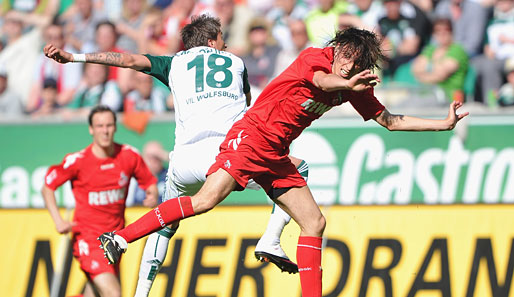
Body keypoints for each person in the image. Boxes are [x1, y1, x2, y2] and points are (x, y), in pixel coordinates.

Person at [47, 23, 469, 296]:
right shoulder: (317, 60)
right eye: (346, 57)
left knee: (315, 221)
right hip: (249, 139)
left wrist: (442, 123)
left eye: (356, 63)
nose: (348, 64)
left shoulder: (354, 83)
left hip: (275, 154)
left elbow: (390, 121)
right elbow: (322, 79)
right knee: (205, 201)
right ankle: (120, 238)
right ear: (338, 49)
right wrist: (346, 79)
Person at [44, 14, 304, 297]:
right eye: (221, 39)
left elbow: (127, 61)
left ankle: (141, 293)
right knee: (297, 169)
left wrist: (74, 58)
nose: (225, 44)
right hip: (229, 158)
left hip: (184, 161)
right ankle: (272, 237)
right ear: (210, 40)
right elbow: (247, 104)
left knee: (164, 224)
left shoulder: (174, 62)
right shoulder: (237, 63)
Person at [41, 105, 158, 297]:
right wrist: (58, 221)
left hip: (116, 239)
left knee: (94, 293)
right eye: (100, 126)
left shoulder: (129, 156)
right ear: (91, 129)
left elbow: (149, 183)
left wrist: (151, 195)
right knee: (113, 293)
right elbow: (48, 187)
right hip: (88, 239)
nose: (105, 130)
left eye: (109, 125)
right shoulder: (78, 161)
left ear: (115, 127)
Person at [411, 18, 469, 103]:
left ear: (451, 32)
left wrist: (424, 73)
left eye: (446, 30)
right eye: (437, 30)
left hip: (448, 97)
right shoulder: (430, 49)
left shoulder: (457, 50)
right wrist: (434, 70)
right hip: (428, 94)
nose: (442, 33)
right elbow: (415, 69)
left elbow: (441, 74)